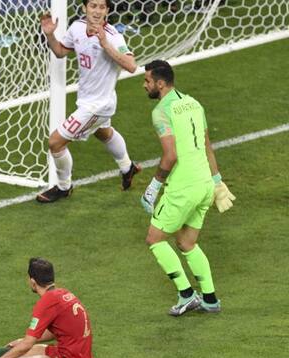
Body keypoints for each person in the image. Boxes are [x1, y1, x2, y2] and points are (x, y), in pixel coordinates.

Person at [140, 60, 235, 316]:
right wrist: (217, 182)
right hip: (204, 184)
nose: (144, 85)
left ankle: (186, 294)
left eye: (147, 81)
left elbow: (170, 155)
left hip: (183, 188)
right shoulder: (194, 103)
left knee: (154, 239)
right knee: (186, 242)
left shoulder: (161, 111)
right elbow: (207, 146)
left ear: (160, 83)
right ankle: (210, 299)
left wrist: (153, 186)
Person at [38, 0, 142, 203]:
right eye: (93, 6)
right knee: (103, 132)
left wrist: (105, 45)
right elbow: (60, 51)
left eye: (102, 7)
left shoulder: (113, 36)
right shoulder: (77, 27)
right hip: (87, 99)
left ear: (107, 10)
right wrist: (50, 35)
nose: (97, 11)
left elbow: (131, 66)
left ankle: (63, 187)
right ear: (84, 8)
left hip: (98, 106)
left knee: (55, 143)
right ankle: (127, 167)